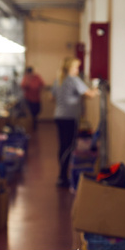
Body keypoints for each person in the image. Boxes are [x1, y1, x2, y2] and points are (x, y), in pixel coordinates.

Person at [51, 57, 98, 187]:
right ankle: (62, 177)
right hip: (70, 117)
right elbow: (90, 95)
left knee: (63, 146)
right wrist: (96, 87)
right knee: (69, 146)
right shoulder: (74, 80)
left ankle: (62, 175)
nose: (78, 70)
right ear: (71, 68)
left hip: (59, 116)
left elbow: (51, 97)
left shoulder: (58, 80)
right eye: (76, 67)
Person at [21, 66, 45, 130]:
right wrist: (28, 81)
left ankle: (34, 124)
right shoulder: (26, 78)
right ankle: (32, 125)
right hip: (28, 99)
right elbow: (23, 86)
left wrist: (38, 89)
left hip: (37, 98)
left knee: (37, 111)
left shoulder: (37, 77)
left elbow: (42, 84)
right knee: (30, 113)